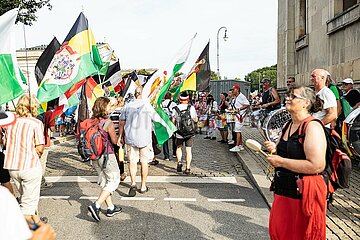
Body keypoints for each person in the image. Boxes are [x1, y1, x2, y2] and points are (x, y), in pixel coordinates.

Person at [264, 85, 327, 240]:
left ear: (306, 103)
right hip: (283, 189)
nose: (287, 99)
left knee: (300, 234)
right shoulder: (288, 125)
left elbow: (316, 165)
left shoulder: (312, 126)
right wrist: (275, 149)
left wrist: (281, 162)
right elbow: (283, 153)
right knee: (279, 232)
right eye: (288, 95)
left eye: (293, 96)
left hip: (302, 194)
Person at [3, 94, 45, 226]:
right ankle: (21, 230)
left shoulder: (10, 123)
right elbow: (40, 148)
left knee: (26, 198)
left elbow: (4, 142)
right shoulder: (36, 123)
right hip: (29, 165)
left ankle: (36, 223)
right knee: (27, 204)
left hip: (13, 167)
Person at [118, 87, 159, 196]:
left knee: (132, 161)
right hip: (145, 138)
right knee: (144, 162)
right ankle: (143, 185)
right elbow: (157, 119)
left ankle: (133, 183)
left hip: (131, 138)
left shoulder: (127, 106)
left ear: (134, 94)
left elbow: (121, 122)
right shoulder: (147, 105)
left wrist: (120, 136)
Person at [87, 97, 122, 222]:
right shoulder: (108, 122)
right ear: (104, 108)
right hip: (107, 155)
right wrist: (120, 137)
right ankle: (96, 205)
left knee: (105, 181)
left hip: (94, 156)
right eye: (108, 106)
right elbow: (114, 141)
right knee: (113, 180)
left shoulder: (91, 121)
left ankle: (111, 207)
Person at [173, 92, 198, 174]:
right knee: (188, 150)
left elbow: (173, 120)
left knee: (179, 147)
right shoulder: (191, 108)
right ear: (187, 99)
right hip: (189, 132)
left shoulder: (175, 108)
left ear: (180, 99)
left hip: (179, 132)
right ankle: (187, 168)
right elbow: (195, 119)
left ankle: (179, 162)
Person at [108, 96, 127, 181]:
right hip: (118, 135)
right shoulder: (122, 112)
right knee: (120, 154)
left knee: (113, 154)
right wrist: (121, 136)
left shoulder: (109, 113)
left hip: (110, 136)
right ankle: (121, 172)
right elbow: (122, 125)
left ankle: (115, 171)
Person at [229, 85, 249, 152]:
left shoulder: (241, 96)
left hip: (240, 115)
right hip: (238, 115)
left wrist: (239, 109)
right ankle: (240, 145)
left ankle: (237, 146)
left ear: (237, 90)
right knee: (238, 131)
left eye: (233, 90)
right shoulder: (237, 97)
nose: (232, 91)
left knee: (237, 131)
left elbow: (247, 104)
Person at [39, 107, 56, 189]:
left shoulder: (34, 111)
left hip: (33, 142)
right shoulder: (49, 113)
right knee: (42, 162)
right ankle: (41, 181)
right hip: (44, 141)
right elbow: (52, 128)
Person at [161, 92, 177, 160]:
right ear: (170, 97)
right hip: (171, 121)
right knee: (174, 138)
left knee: (165, 139)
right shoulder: (173, 104)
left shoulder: (161, 103)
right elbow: (175, 114)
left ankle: (166, 155)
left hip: (164, 121)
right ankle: (174, 153)